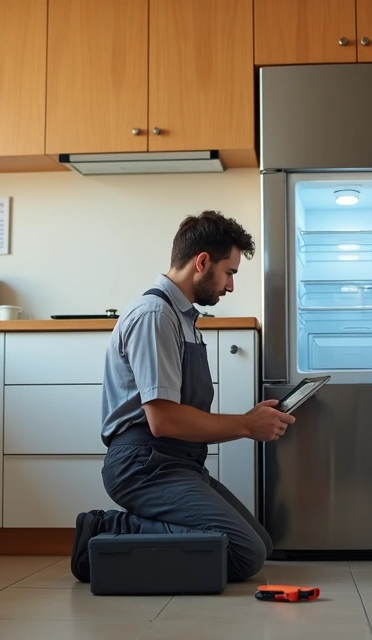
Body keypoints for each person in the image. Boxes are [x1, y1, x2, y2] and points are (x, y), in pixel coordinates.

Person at [71, 210, 296, 584]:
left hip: (175, 462)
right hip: (143, 464)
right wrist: (245, 426)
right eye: (229, 272)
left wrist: (250, 418)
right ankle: (105, 529)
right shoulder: (155, 316)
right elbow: (164, 421)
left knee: (260, 543)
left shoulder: (182, 319)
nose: (230, 286)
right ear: (202, 262)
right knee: (245, 553)